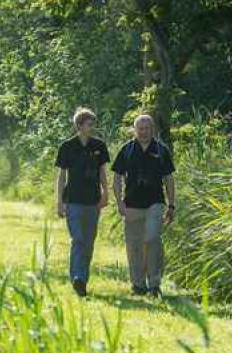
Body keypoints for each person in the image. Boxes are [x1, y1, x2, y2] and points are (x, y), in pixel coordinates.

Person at [111, 114, 176, 296]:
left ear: (152, 129)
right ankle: (138, 285)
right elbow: (116, 177)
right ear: (135, 130)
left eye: (147, 128)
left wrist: (171, 206)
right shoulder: (127, 150)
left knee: (152, 239)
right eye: (140, 128)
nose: (144, 132)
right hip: (131, 204)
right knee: (134, 245)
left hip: (155, 203)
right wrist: (119, 203)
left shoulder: (161, 150)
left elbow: (169, 179)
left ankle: (154, 284)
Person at [54, 107, 110, 297]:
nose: (92, 127)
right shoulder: (67, 146)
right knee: (78, 239)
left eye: (93, 123)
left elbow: (102, 172)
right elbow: (61, 176)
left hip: (93, 201)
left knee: (88, 241)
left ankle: (82, 279)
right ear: (79, 125)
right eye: (89, 124)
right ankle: (77, 277)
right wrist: (59, 202)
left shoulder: (99, 146)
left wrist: (106, 193)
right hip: (73, 201)